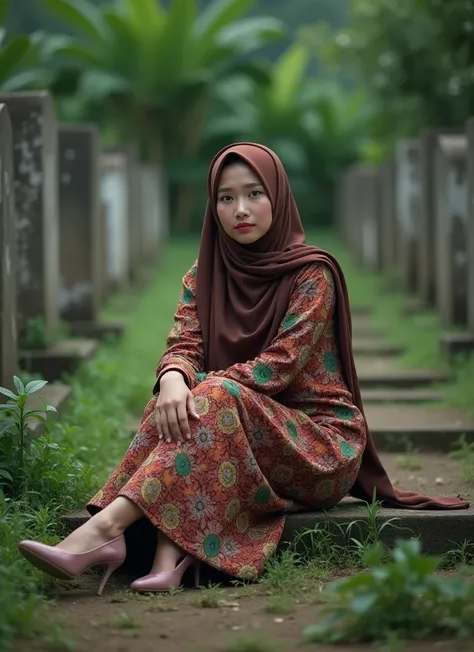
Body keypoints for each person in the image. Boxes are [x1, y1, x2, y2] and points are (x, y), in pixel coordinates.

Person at [18, 143, 468, 596]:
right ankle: (168, 557)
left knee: (212, 397)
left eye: (254, 193)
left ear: (278, 195)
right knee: (171, 400)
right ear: (213, 208)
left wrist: (199, 388)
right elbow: (185, 344)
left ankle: (104, 531)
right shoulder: (203, 275)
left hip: (317, 446)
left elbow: (279, 367)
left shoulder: (313, 273)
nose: (241, 210)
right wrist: (173, 376)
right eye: (226, 198)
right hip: (232, 432)